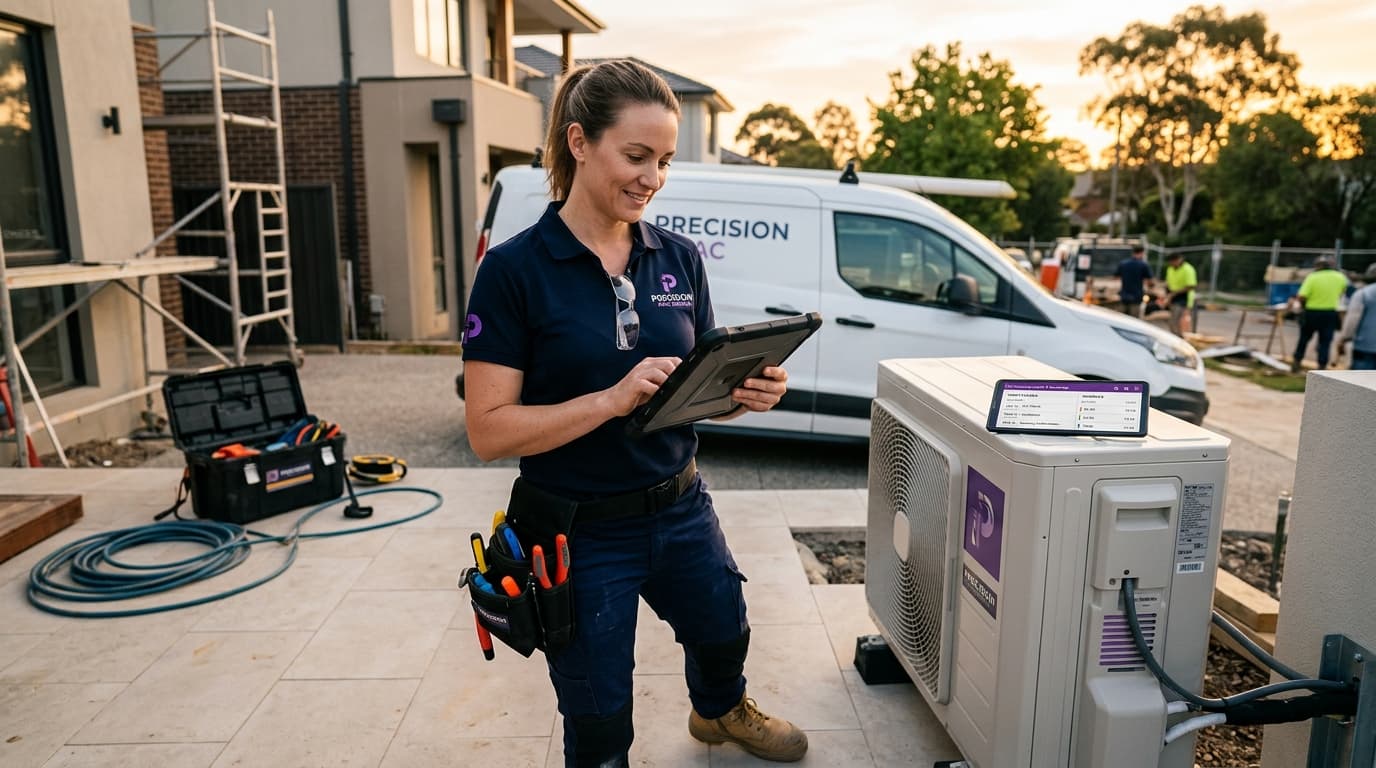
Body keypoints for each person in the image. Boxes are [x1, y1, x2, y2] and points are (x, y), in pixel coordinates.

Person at [461, 60, 807, 767]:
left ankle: (718, 714)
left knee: (723, 631)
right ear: (580, 142)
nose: (653, 177)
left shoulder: (676, 258)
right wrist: (610, 399)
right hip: (578, 530)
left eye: (665, 161)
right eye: (637, 155)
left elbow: (695, 397)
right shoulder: (514, 270)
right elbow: (487, 430)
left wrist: (745, 397)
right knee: (598, 713)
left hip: (681, 507)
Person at [1289, 256, 1349, 372]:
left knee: (1304, 339)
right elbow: (1343, 292)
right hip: (1329, 313)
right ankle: (1321, 366)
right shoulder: (1340, 277)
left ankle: (1297, 362)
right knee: (1325, 341)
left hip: (1311, 312)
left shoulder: (1313, 277)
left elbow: (1302, 296)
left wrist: (1301, 307)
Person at [1337, 263, 1376, 370]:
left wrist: (1344, 338)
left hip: (1365, 346)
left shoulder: (1363, 294)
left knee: (1361, 383)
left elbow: (1352, 319)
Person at [1114, 243, 1155, 317]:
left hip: (1124, 296)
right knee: (1133, 321)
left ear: (1133, 252)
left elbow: (1116, 277)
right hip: (1136, 298)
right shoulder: (1143, 265)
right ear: (1142, 253)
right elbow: (1150, 282)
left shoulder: (1123, 263)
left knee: (1121, 319)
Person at [1163, 252, 1197, 336]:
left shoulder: (1188, 269)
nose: (1171, 264)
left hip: (1183, 298)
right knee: (1173, 321)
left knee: (1176, 321)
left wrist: (1173, 294)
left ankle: (1179, 338)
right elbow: (1168, 282)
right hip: (1173, 297)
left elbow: (1191, 286)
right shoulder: (1170, 268)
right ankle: (1178, 336)